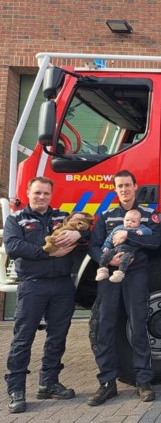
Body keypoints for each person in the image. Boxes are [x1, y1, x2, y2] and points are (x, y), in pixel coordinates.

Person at [3, 177, 87, 414]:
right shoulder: (16, 219)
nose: (41, 197)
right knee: (23, 338)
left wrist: (79, 235)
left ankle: (48, 382)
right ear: (28, 192)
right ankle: (16, 389)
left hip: (62, 285)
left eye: (46, 193)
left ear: (52, 195)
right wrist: (46, 253)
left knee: (57, 337)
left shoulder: (62, 216)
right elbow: (13, 246)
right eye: (37, 193)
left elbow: (87, 230)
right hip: (33, 285)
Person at [87, 170, 161, 406]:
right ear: (115, 189)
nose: (124, 189)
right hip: (109, 275)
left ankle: (144, 381)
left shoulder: (148, 215)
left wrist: (128, 234)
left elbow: (155, 241)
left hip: (136, 274)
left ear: (135, 186)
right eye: (119, 186)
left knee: (139, 325)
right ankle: (107, 383)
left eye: (127, 185)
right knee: (105, 327)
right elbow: (94, 245)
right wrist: (108, 259)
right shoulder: (106, 215)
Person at [95, 209, 152, 282]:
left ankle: (120, 274)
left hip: (128, 251)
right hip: (115, 249)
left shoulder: (139, 228)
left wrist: (142, 231)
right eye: (127, 220)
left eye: (133, 221)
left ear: (138, 223)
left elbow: (149, 231)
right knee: (105, 256)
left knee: (124, 260)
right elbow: (109, 239)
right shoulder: (118, 228)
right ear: (123, 220)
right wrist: (106, 247)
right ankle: (102, 271)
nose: (129, 223)